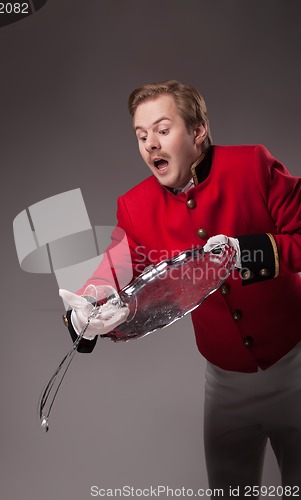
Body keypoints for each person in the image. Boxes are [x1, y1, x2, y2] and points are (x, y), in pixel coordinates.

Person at [60, 80, 301, 496]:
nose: (151, 143)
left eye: (163, 129)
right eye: (141, 135)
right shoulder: (135, 207)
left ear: (198, 131)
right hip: (225, 386)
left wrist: (244, 252)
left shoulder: (253, 165)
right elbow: (114, 268)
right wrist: (89, 306)